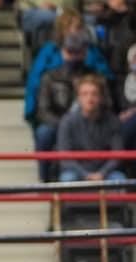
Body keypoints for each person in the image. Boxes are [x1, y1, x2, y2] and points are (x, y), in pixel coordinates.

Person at [35, 32, 105, 181]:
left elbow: (106, 103)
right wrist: (64, 124)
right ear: (63, 52)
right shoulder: (50, 77)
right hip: (59, 121)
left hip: (90, 121)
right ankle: (44, 180)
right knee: (43, 133)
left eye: (78, 52)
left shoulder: (94, 75)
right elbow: (42, 110)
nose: (74, 56)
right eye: (70, 52)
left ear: (85, 53)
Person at [57, 74, 126, 182]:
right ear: (78, 98)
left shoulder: (113, 121)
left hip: (105, 172)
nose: (90, 98)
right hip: (77, 172)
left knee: (119, 180)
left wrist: (102, 173)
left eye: (94, 94)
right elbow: (65, 158)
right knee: (68, 179)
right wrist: (85, 175)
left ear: (101, 97)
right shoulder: (67, 122)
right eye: (85, 94)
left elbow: (117, 155)